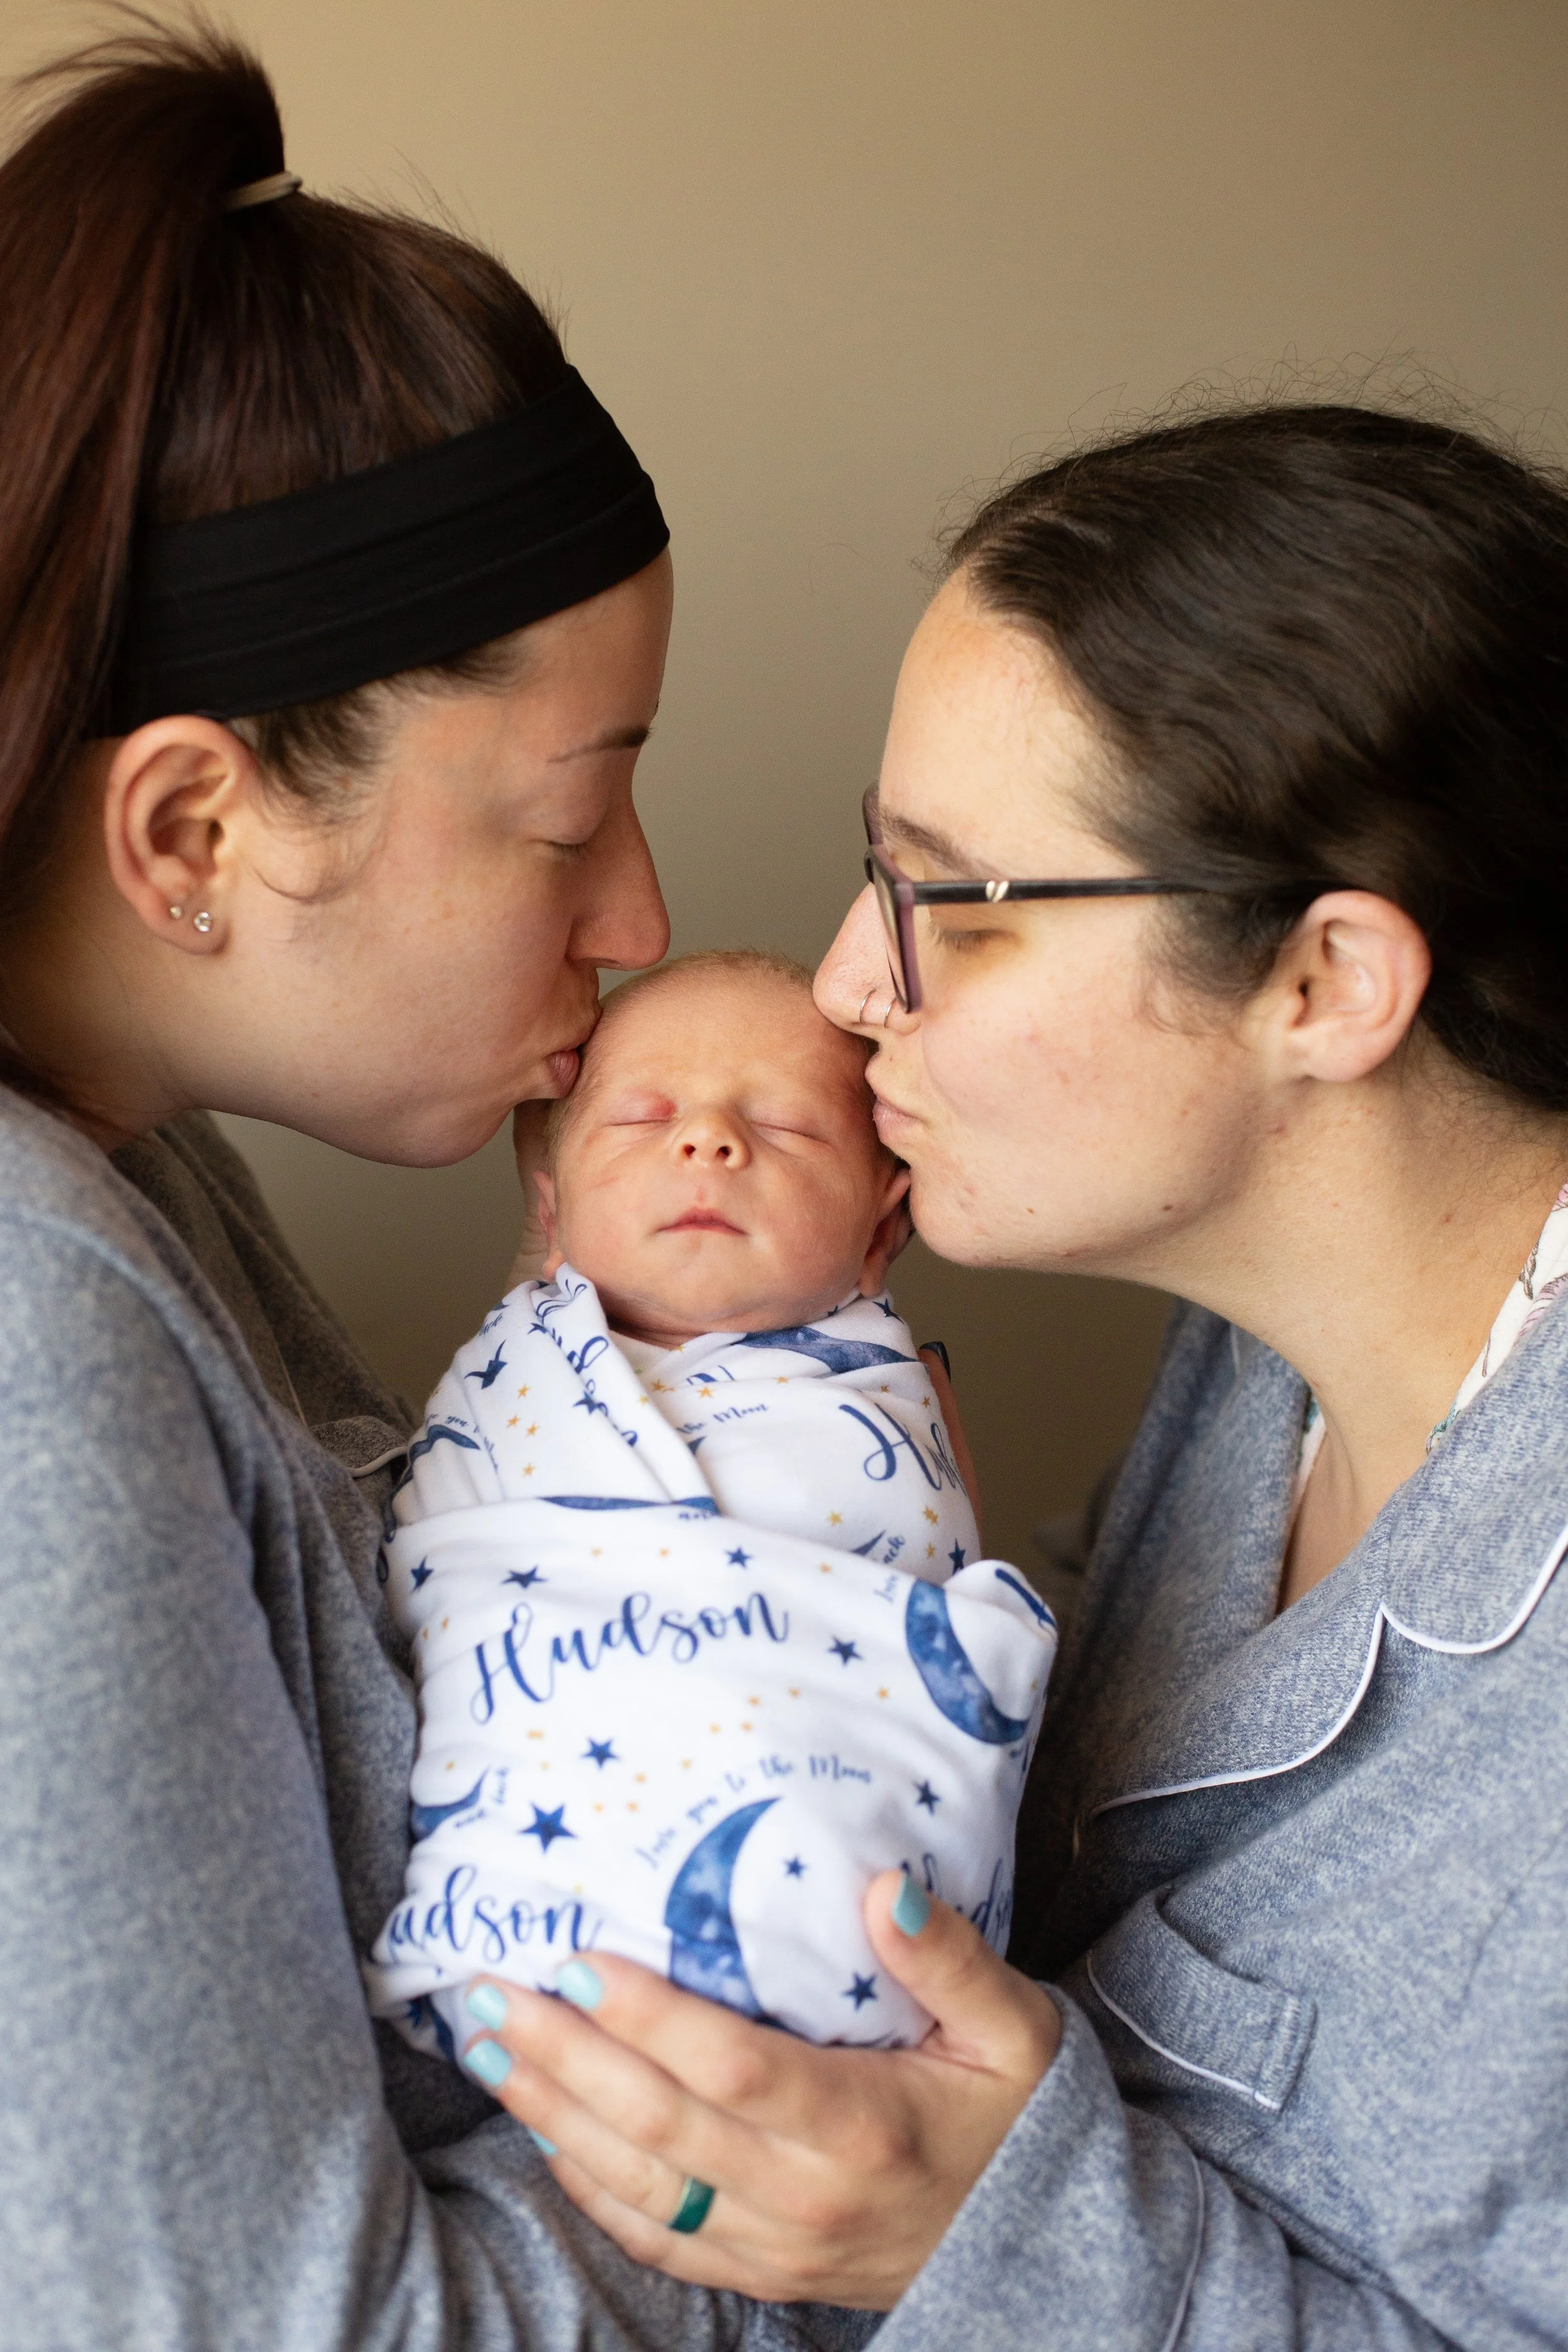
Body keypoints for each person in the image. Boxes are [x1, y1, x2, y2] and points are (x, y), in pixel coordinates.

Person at [453, 406, 1568, 2348]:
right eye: (870, 875)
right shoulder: (1259, 1353)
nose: (845, 983)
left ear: (1322, 982)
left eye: (953, 908)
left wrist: (998, 2239)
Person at [0, 23, 863, 2351]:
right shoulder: (30, 1328)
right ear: (195, 830)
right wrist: (854, 2179)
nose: (638, 916)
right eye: (572, 818)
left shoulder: (129, 1149)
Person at [363, 950, 1046, 2066]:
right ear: (553, 1210)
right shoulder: (519, 1375)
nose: (709, 1140)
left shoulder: (878, 1403)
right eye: (644, 1116)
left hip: (843, 1901)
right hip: (531, 1886)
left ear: (881, 1233)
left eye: (786, 1126)